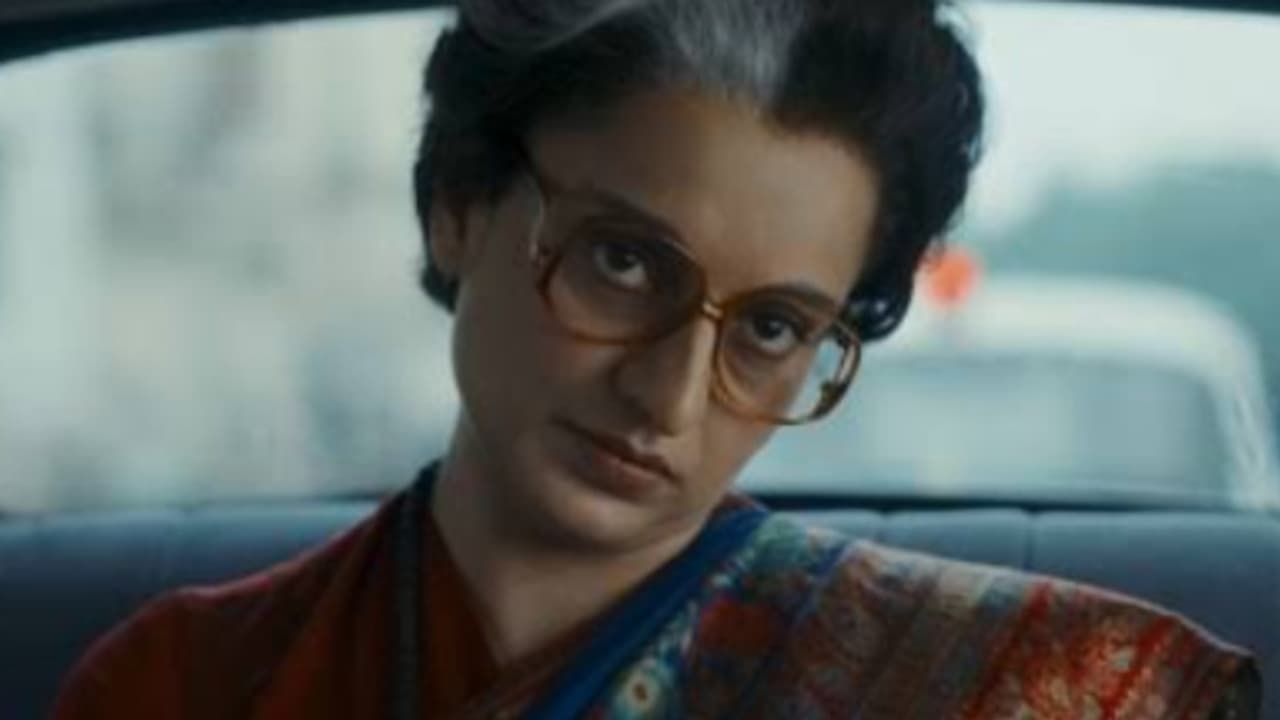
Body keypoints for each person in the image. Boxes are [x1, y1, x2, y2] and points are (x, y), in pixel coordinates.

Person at [54, 0, 1259, 717]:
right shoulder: (190, 682)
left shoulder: (993, 687)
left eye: (772, 328)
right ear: (459, 203)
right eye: (623, 263)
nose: (669, 394)